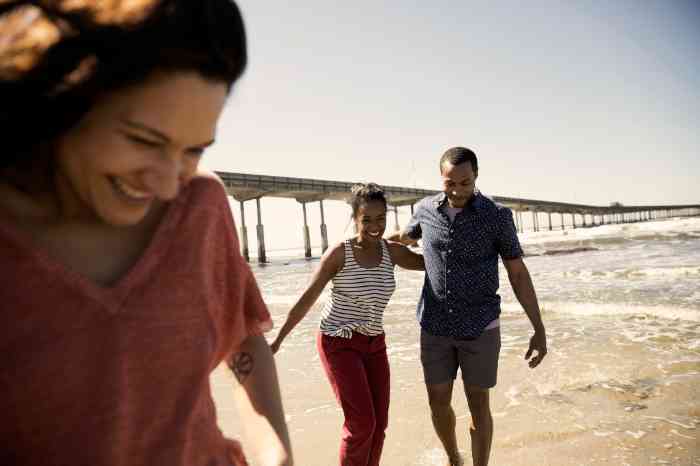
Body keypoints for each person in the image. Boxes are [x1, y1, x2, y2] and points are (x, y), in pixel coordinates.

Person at [0, 2, 292, 465]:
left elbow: (243, 337)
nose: (165, 183)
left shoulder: (199, 206)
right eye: (143, 141)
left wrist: (274, 452)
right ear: (61, 99)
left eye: (194, 149)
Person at [389, 147, 547, 466]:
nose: (458, 191)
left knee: (479, 405)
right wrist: (367, 241)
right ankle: (453, 458)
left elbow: (516, 271)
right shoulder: (424, 210)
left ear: (476, 177)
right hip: (434, 326)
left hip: (480, 327)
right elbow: (404, 240)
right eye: (450, 183)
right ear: (441, 179)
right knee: (437, 402)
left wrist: (538, 328)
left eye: (465, 182)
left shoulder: (496, 216)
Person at [270, 183, 424, 466]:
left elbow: (434, 264)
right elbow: (307, 298)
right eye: (367, 219)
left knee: (379, 424)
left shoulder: (392, 252)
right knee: (362, 422)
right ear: (355, 218)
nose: (375, 226)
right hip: (338, 342)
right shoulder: (340, 253)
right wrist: (278, 339)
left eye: (381, 219)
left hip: (374, 344)